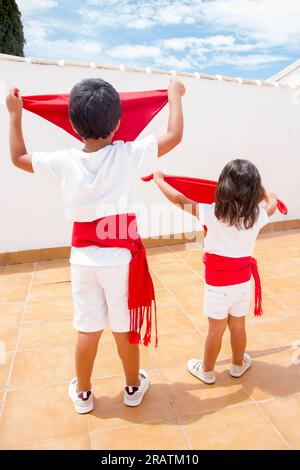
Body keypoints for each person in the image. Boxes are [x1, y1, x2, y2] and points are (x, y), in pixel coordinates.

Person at [6, 77, 185, 412]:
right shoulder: (128, 154)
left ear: (73, 125)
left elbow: (18, 157)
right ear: (118, 122)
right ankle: (133, 386)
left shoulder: (64, 161)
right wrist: (174, 96)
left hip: (83, 261)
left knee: (87, 329)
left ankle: (85, 393)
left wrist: (15, 115)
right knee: (123, 328)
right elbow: (174, 135)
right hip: (121, 260)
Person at [153, 160, 277, 384]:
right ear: (255, 192)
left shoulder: (211, 213)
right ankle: (238, 365)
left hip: (217, 287)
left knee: (216, 330)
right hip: (242, 285)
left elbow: (178, 199)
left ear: (222, 188)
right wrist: (267, 193)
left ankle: (207, 371)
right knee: (238, 326)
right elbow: (273, 204)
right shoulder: (256, 217)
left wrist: (159, 179)